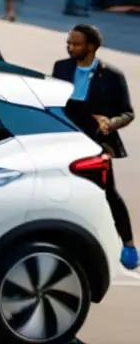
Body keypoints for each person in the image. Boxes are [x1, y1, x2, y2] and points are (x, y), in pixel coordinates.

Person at [54, 24, 137, 270]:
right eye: (69, 42)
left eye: (76, 43)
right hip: (65, 138)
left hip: (96, 140)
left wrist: (110, 124)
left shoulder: (112, 75)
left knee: (108, 191)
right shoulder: (61, 68)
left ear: (91, 46)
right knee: (62, 191)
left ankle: (129, 244)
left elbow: (128, 113)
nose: (70, 47)